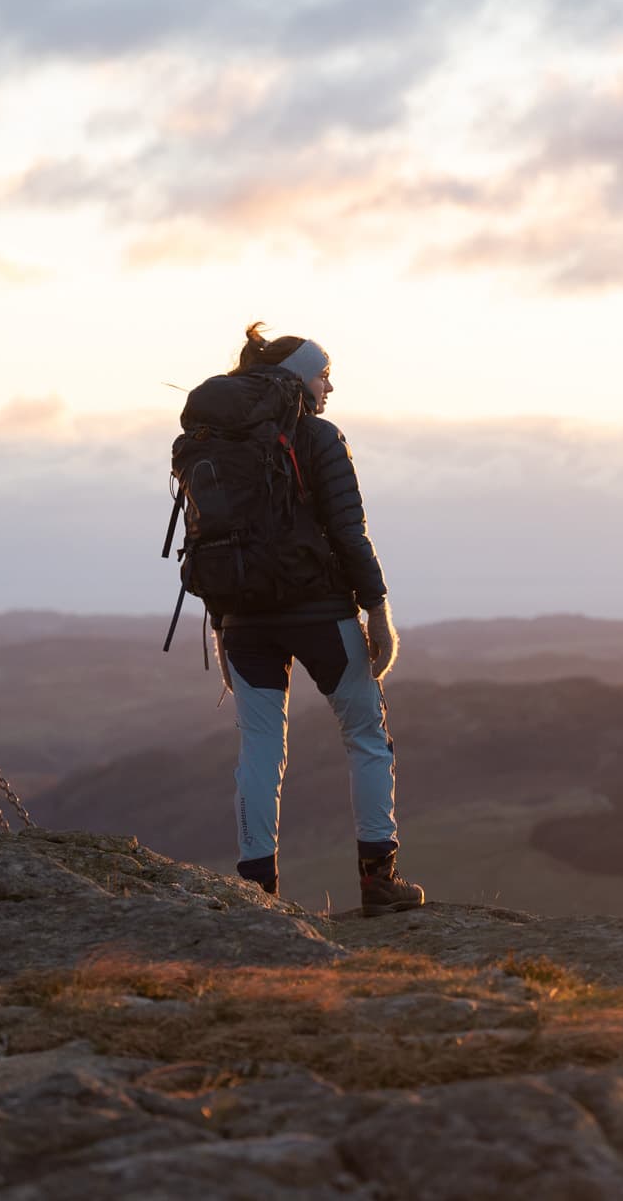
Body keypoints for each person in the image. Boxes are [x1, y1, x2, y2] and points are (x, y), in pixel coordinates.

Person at [212, 324, 424, 914]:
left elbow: (209, 541)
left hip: (242, 619)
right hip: (319, 613)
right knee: (367, 738)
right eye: (323, 373)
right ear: (299, 379)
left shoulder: (218, 443)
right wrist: (377, 612)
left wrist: (221, 627)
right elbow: (349, 532)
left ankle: (258, 893)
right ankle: (379, 880)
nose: (330, 385)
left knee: (259, 748)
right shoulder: (320, 437)